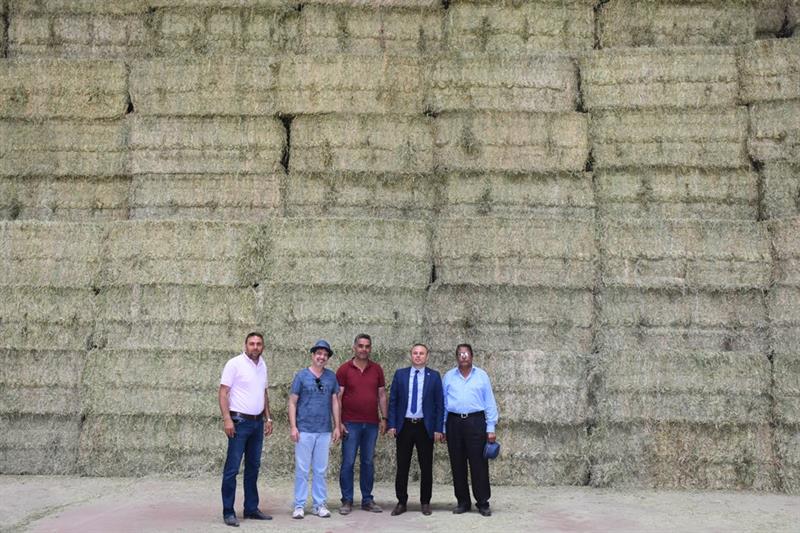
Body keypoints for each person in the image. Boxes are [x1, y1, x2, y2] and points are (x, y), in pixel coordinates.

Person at [218, 332, 274, 527]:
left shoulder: (263, 365)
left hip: (257, 423)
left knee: (253, 467)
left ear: (263, 346)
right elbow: (223, 393)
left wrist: (268, 418)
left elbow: (263, 393)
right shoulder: (234, 364)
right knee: (232, 468)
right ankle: (228, 511)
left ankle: (251, 508)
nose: (255, 347)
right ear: (245, 345)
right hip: (239, 422)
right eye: (252, 343)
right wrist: (227, 419)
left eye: (259, 344)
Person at [387, 343, 444, 516]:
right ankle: (401, 502)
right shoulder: (400, 374)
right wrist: (392, 424)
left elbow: (439, 404)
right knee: (402, 466)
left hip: (424, 427)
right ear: (410, 355)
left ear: (427, 356)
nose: (418, 356)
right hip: (404, 426)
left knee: (426, 466)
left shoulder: (434, 376)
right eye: (415, 353)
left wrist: (438, 428)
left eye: (421, 353)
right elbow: (393, 401)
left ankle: (425, 502)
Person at [442, 343, 498, 517]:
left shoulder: (481, 376)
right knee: (457, 463)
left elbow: (489, 402)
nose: (463, 356)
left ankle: (482, 502)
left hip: (476, 422)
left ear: (472, 356)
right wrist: (443, 427)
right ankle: (463, 502)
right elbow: (444, 403)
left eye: (466, 353)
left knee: (478, 463)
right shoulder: (448, 376)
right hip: (454, 422)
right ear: (456, 357)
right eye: (460, 354)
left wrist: (490, 427)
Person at [288, 339, 342, 519]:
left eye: (325, 355)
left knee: (320, 469)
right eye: (319, 354)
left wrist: (337, 426)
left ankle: (319, 505)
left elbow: (335, 402)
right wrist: (294, 427)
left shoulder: (331, 377)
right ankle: (299, 505)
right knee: (302, 470)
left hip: (324, 430)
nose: (322, 357)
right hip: (304, 429)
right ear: (313, 355)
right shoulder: (301, 376)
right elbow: (292, 402)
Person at [336, 333, 388, 514]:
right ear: (354, 347)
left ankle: (367, 499)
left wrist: (385, 418)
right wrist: (339, 422)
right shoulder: (344, 369)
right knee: (348, 462)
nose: (363, 349)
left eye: (367, 346)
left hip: (371, 424)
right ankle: (347, 500)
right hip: (350, 423)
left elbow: (382, 395)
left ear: (370, 348)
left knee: (368, 462)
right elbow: (338, 398)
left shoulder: (377, 369)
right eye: (360, 346)